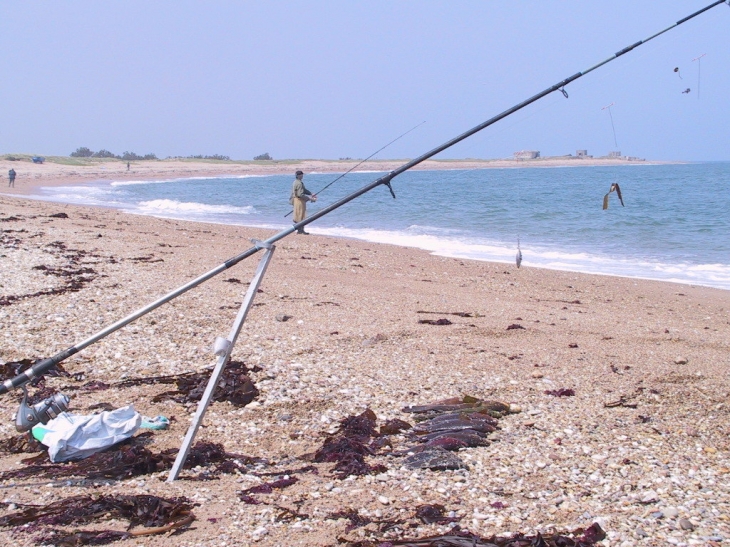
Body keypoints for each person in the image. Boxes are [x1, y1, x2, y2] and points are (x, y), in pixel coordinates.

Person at [289, 170, 316, 234]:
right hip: (299, 201)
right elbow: (300, 194)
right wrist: (309, 198)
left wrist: (311, 193)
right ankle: (300, 230)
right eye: (301, 175)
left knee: (299, 215)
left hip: (296, 200)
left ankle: (300, 230)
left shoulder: (296, 182)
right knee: (300, 216)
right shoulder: (298, 183)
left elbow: (304, 190)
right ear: (299, 175)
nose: (302, 176)